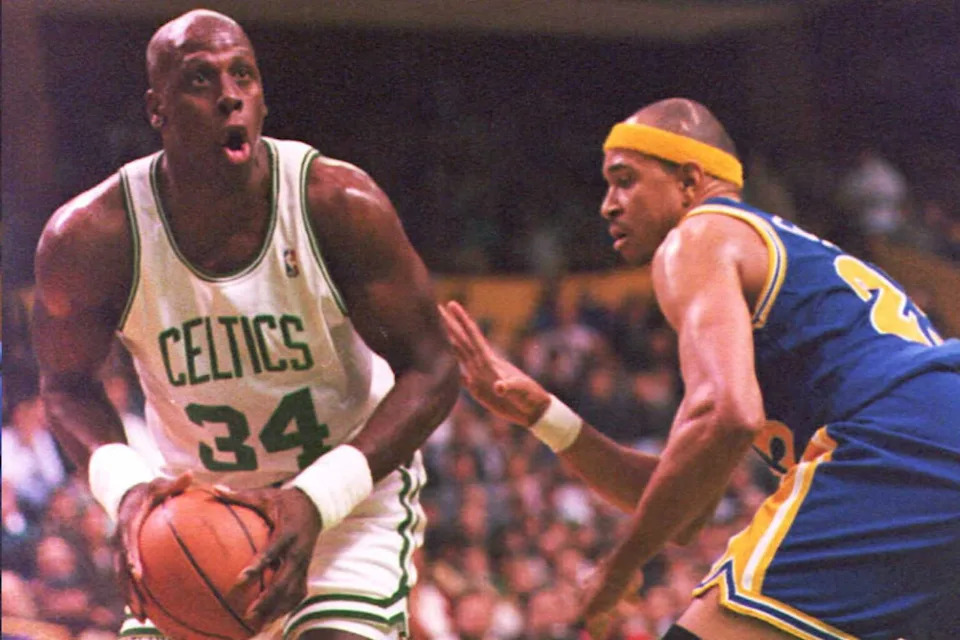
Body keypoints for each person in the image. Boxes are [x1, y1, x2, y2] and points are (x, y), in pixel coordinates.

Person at [439, 98, 960, 640]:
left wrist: (619, 567)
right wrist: (544, 414)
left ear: (689, 181)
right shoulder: (782, 261)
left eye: (625, 181)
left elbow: (727, 414)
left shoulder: (699, 235)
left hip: (900, 443)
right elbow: (685, 511)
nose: (608, 205)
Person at [31, 9, 459, 640]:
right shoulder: (93, 238)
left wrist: (318, 497)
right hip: (199, 511)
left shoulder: (335, 204)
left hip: (343, 507)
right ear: (157, 109)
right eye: (200, 80)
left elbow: (435, 368)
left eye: (244, 76)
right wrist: (127, 489)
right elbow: (65, 387)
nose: (230, 96)